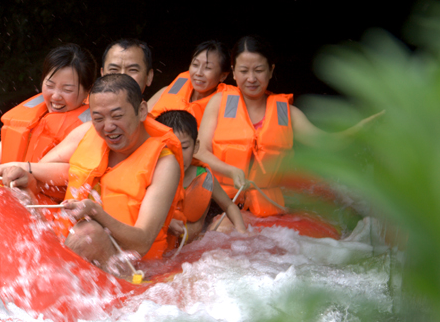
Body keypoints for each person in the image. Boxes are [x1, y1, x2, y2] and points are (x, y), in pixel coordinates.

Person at [0, 74, 183, 275]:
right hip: (67, 246)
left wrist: (96, 213)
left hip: (130, 269)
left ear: (141, 111)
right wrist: (27, 179)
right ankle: (24, 275)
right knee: (20, 192)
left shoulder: (165, 164)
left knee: (89, 233)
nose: (108, 127)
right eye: (98, 118)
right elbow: (50, 174)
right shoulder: (88, 134)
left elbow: (142, 242)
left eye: (117, 115)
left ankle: (42, 282)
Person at [196, 35, 383, 217]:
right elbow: (200, 151)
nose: (251, 78)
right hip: (220, 203)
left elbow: (326, 142)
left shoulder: (287, 114)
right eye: (244, 71)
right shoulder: (219, 102)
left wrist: (360, 129)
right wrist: (230, 170)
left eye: (259, 70)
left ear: (271, 70)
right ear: (234, 72)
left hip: (267, 207)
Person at [0, 43, 97, 171]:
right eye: (50, 86)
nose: (56, 96)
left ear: (87, 91)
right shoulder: (32, 115)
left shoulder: (92, 127)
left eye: (67, 90)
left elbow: (70, 172)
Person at [155, 110, 247, 241]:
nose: (178, 155)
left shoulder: (204, 177)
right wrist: (166, 222)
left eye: (184, 147)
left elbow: (229, 206)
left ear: (196, 146)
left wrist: (241, 232)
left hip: (192, 248)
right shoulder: (153, 176)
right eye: (170, 148)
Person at [149, 40, 231, 126]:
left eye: (208, 68)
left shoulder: (227, 106)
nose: (198, 73)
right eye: (195, 65)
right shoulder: (172, 88)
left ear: (223, 76)